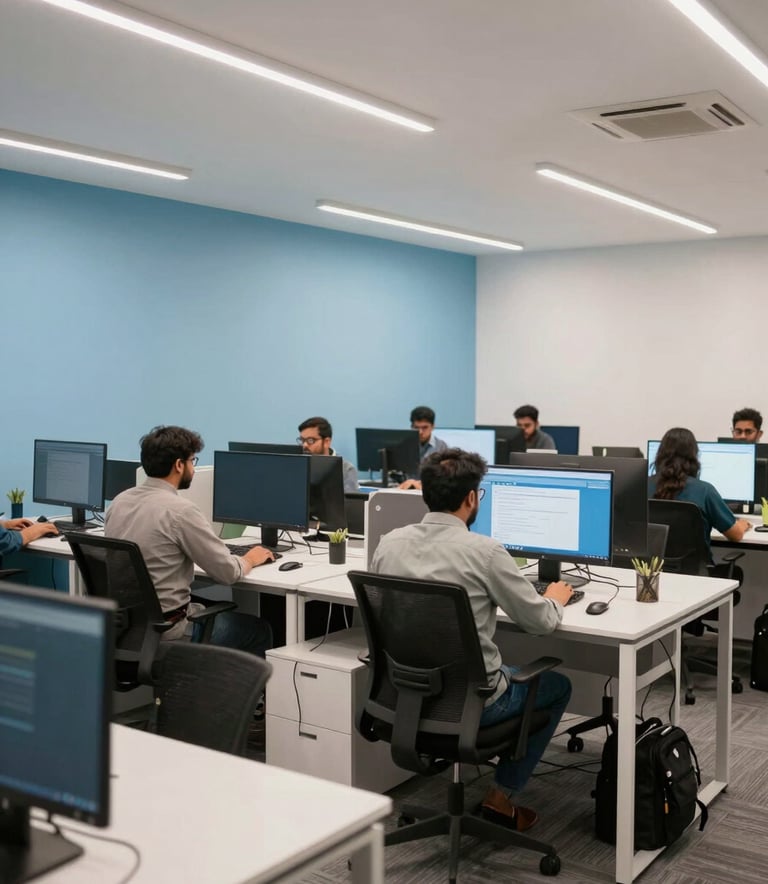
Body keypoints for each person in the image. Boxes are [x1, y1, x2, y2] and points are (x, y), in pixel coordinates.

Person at [371, 448, 573, 831]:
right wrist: (555, 598)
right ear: (470, 498)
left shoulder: (389, 543)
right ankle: (500, 797)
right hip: (473, 704)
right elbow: (540, 622)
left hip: (405, 695)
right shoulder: (485, 552)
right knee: (557, 685)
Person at [105, 425, 274, 654]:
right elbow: (227, 573)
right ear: (178, 465)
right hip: (171, 631)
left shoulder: (119, 502)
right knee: (258, 630)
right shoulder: (180, 511)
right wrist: (250, 559)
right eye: (192, 461)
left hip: (127, 630)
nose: (193, 469)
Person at [649, 427, 751, 554]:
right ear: (694, 457)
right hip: (694, 571)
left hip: (647, 569)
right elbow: (736, 535)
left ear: (660, 455)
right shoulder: (704, 491)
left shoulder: (640, 486)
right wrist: (742, 524)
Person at [297, 417, 358, 492]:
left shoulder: (346, 469)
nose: (304, 445)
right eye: (302, 440)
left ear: (326, 442)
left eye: (310, 440)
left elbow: (350, 502)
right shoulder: (298, 465)